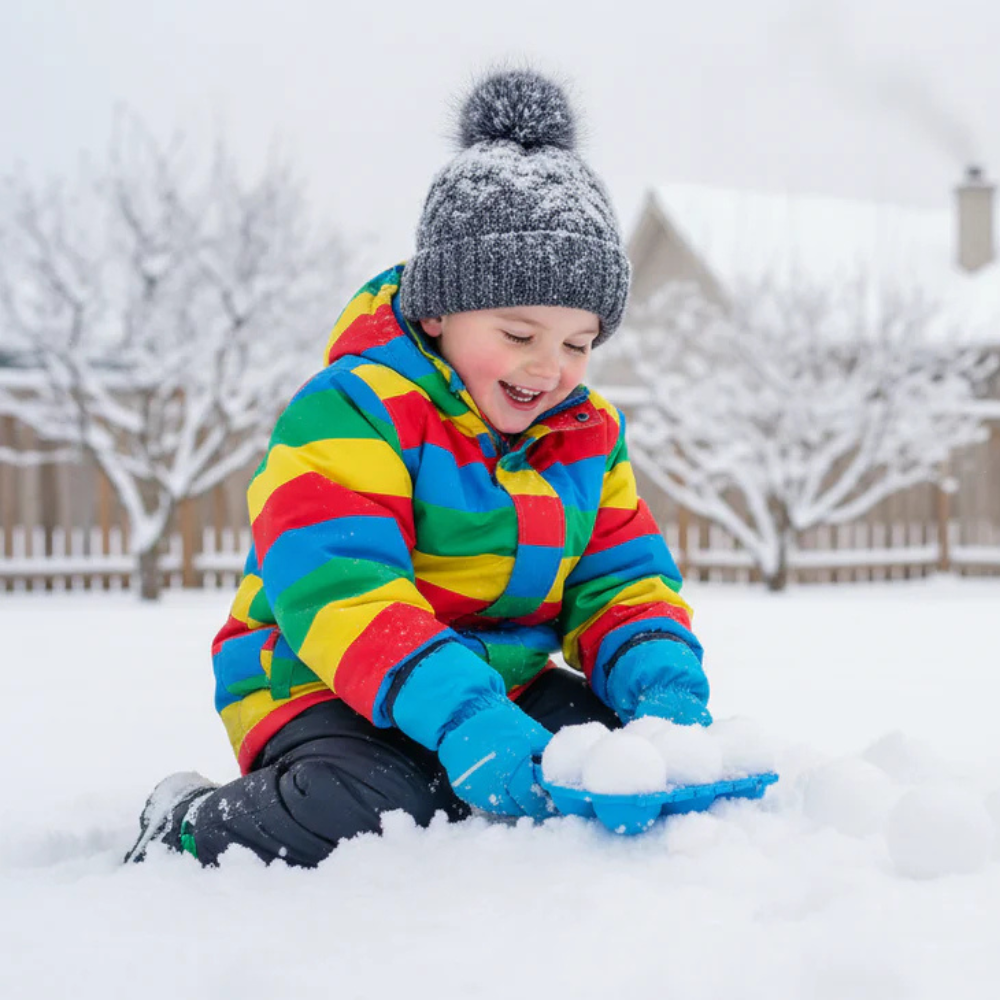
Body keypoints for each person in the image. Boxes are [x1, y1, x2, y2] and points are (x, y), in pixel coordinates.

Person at [124, 68, 710, 868]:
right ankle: (190, 822)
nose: (550, 366)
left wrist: (662, 691)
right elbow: (341, 587)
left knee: (612, 752)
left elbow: (620, 579)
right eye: (519, 333)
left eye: (579, 344)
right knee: (391, 802)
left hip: (495, 686)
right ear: (438, 310)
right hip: (321, 679)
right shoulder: (351, 412)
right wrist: (466, 716)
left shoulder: (588, 434)